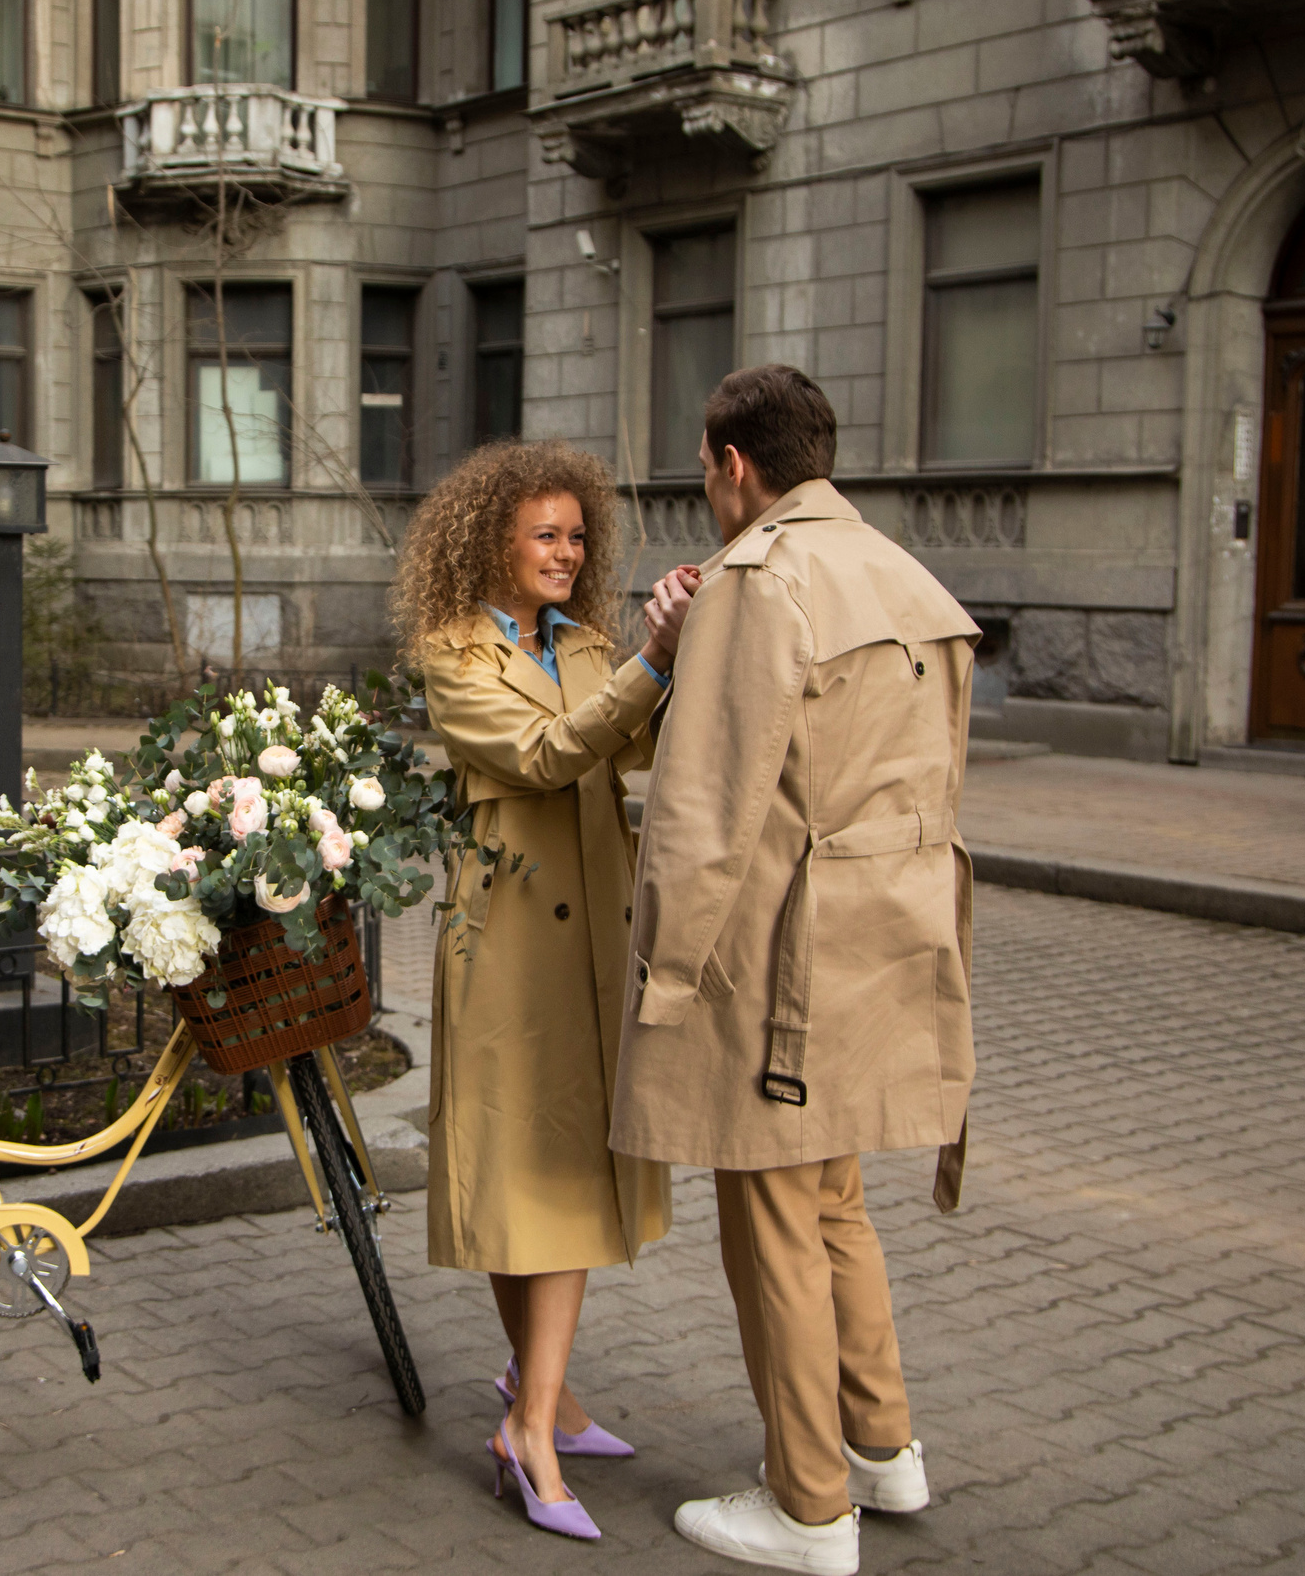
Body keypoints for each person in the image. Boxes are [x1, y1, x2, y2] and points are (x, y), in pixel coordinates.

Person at [613, 365, 978, 1574]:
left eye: (702, 471)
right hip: (886, 939)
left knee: (772, 1212)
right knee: (834, 1204)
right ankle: (881, 1450)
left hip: (774, 952)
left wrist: (663, 976)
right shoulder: (904, 575)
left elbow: (702, 807)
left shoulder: (757, 582)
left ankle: (809, 1505)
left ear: (729, 464)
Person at [390, 441, 693, 1543]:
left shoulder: (593, 640)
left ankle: (546, 1396)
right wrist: (652, 665)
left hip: (598, 941)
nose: (566, 552)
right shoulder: (451, 653)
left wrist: (673, 654)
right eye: (544, 535)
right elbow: (546, 754)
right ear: (491, 544)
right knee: (543, 1169)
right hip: (509, 944)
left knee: (548, 1170)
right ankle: (525, 1428)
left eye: (576, 535)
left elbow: (640, 744)